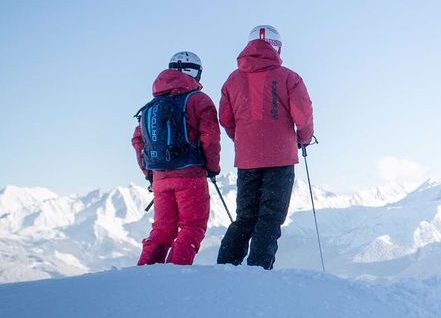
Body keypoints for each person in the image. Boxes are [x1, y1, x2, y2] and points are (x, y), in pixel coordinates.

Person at [216, 25, 314, 269]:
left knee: (245, 216)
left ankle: (225, 266)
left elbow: (225, 119)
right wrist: (303, 138)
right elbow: (303, 115)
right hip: (280, 158)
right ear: (277, 46)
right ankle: (258, 271)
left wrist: (242, 140)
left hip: (247, 159)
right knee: (270, 218)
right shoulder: (289, 77)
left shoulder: (232, 80)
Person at [132, 51, 220, 265]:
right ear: (196, 73)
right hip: (190, 174)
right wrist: (212, 167)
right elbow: (210, 137)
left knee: (162, 230)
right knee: (192, 226)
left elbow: (138, 141)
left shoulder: (152, 106)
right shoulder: (198, 100)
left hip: (160, 177)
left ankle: (144, 273)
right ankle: (175, 275)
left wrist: (150, 174)